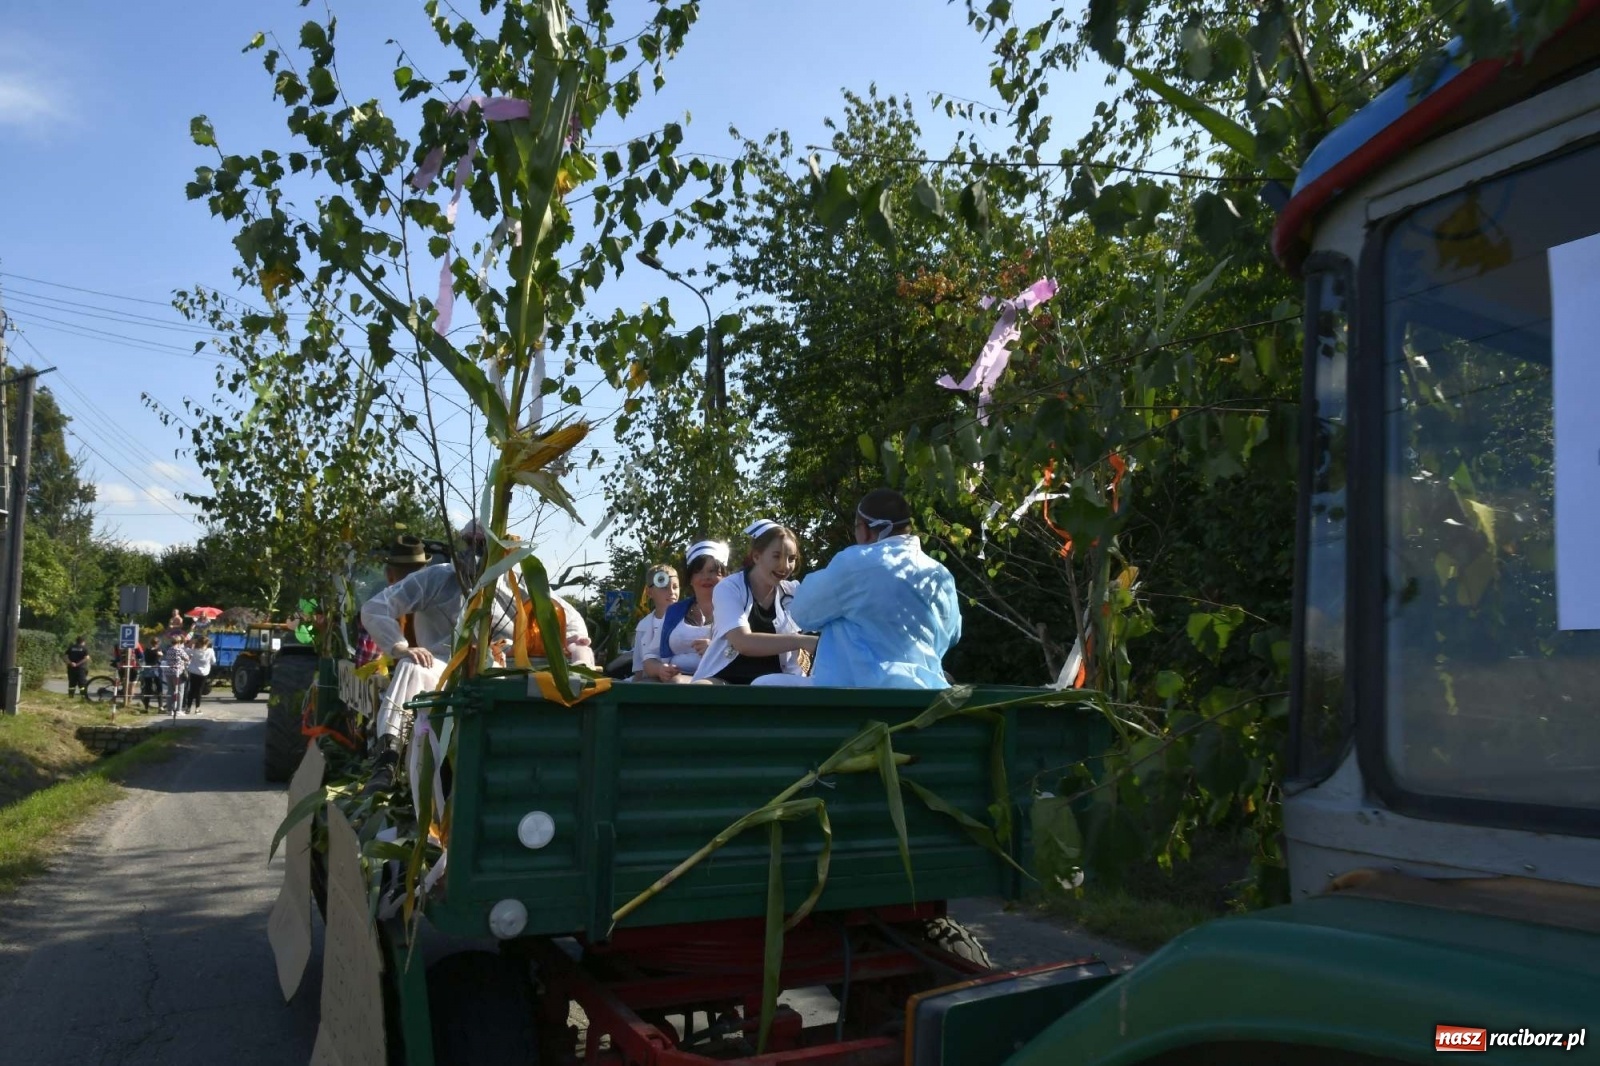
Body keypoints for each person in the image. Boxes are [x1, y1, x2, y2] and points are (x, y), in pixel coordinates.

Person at [359, 522, 593, 790]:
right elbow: (376, 607)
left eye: (482, 546)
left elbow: (571, 623)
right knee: (411, 668)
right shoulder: (437, 578)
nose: (474, 553)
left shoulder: (521, 587)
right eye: (468, 544)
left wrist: (577, 651)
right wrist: (400, 647)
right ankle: (388, 759)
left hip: (499, 677)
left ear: (502, 550)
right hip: (441, 670)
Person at [777, 489, 962, 689]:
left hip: (855, 694)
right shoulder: (940, 574)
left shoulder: (854, 563)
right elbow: (953, 634)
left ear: (864, 530)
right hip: (927, 692)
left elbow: (802, 612)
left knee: (762, 683)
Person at [692, 521, 816, 684]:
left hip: (778, 684)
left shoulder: (794, 591)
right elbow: (742, 642)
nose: (785, 566)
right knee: (699, 691)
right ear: (756, 556)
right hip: (726, 680)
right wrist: (800, 641)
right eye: (776, 556)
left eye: (791, 558)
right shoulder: (729, 588)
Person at [649, 540, 728, 681]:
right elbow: (650, 657)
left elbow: (745, 649)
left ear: (725, 576)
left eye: (712, 571)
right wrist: (660, 669)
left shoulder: (736, 609)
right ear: (690, 579)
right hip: (674, 679)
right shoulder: (674, 611)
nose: (706, 577)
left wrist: (716, 649)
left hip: (718, 678)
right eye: (698, 572)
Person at [630, 564, 680, 681]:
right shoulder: (643, 626)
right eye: (664, 587)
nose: (671, 592)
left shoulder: (689, 618)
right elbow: (639, 669)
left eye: (675, 587)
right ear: (649, 592)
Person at [159, 633, 191, 712]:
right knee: (180, 691)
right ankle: (178, 709)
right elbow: (187, 658)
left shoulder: (169, 650)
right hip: (178, 672)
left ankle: (169, 709)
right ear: (179, 642)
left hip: (169, 671)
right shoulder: (179, 650)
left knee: (170, 690)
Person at [183, 636, 215, 713]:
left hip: (194, 671)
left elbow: (184, 650)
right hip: (204, 673)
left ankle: (188, 708)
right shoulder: (210, 651)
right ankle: (197, 708)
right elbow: (213, 661)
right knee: (199, 690)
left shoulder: (194, 650)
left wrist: (190, 643)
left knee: (192, 690)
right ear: (207, 643)